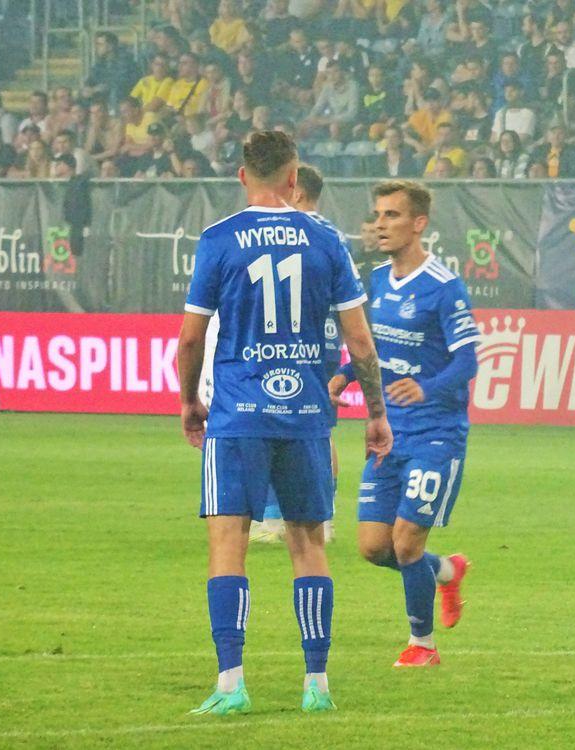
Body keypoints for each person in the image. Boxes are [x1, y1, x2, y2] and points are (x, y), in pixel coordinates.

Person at [177, 130, 391, 714]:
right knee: (308, 544)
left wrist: (189, 401)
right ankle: (317, 684)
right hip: (306, 415)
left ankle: (231, 684)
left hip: (237, 414)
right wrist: (376, 414)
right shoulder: (327, 240)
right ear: (294, 179)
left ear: (242, 176)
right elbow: (360, 342)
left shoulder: (219, 239)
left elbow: (191, 337)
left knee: (229, 542)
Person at [330, 180, 476, 668]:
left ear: (418, 224)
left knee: (407, 541)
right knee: (374, 548)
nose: (380, 224)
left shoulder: (444, 287)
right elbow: (375, 347)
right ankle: (446, 572)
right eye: (377, 215)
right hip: (389, 431)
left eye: (391, 215)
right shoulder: (376, 280)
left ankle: (423, 646)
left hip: (436, 432)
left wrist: (427, 388)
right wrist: (346, 372)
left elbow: (467, 362)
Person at [247, 165, 345, 545]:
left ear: (298, 192)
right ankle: (319, 516)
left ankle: (279, 518)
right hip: (325, 342)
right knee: (318, 429)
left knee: (283, 425)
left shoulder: (298, 233)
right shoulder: (333, 235)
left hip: (298, 342)